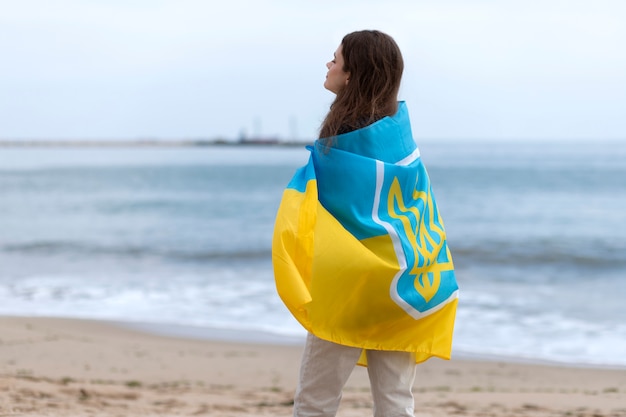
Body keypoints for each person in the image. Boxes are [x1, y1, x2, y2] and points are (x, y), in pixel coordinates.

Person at [272, 30, 459, 417]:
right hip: (403, 285)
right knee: (395, 400)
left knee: (316, 399)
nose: (328, 64)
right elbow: (418, 212)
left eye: (335, 59)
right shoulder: (400, 137)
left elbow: (327, 217)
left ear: (352, 74)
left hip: (350, 290)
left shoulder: (340, 143)